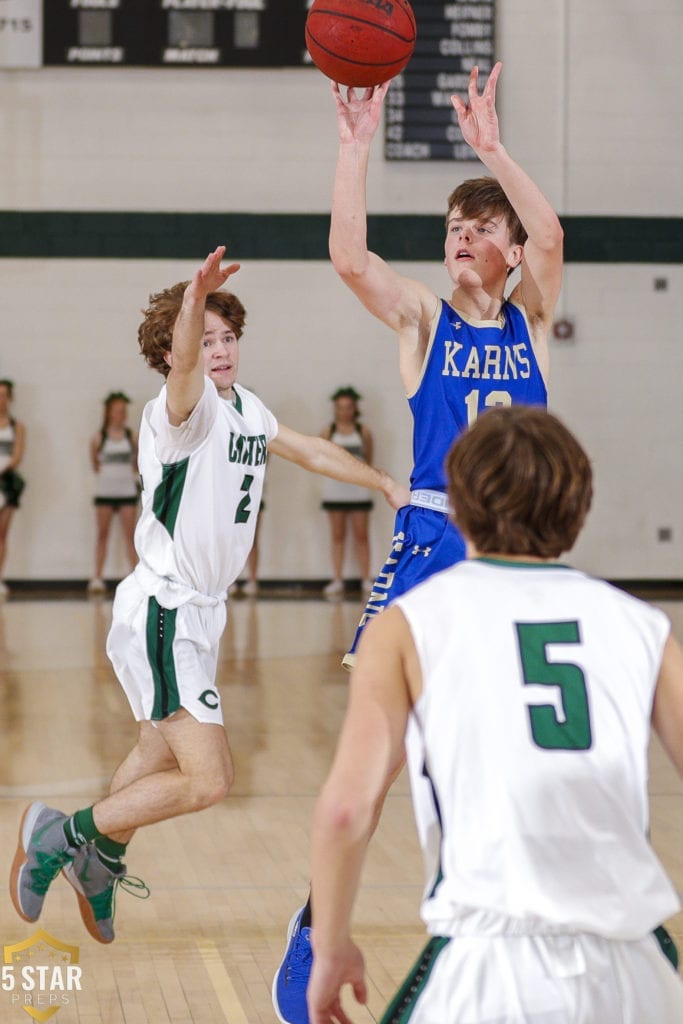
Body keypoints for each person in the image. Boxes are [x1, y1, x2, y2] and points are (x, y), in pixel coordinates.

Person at [273, 60, 564, 1023]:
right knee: (384, 751)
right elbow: (352, 262)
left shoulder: (530, 318)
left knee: (506, 739)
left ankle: (506, 908)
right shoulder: (423, 321)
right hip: (434, 540)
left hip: (517, 552)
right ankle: (318, 922)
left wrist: (492, 151)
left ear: (512, 252)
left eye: (481, 229)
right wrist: (353, 147)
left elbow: (553, 233)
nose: (462, 238)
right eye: (453, 227)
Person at [9, 246, 409, 945]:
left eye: (230, 337)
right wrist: (193, 303)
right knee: (209, 779)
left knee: (156, 755)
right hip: (167, 610)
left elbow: (311, 449)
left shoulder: (246, 409)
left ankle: (101, 861)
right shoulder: (179, 413)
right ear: (173, 353)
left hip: (196, 614)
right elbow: (187, 359)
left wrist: (382, 481)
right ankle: (59, 835)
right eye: (207, 337)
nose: (220, 349)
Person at [307, 405, 683, 1024]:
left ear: (458, 503)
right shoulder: (642, 623)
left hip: (490, 969)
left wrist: (331, 946)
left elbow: (346, 811)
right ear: (579, 505)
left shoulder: (407, 623)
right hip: (637, 972)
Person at [320, 386, 374, 597]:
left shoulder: (364, 432)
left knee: (362, 535)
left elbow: (369, 460)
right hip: (335, 491)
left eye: (348, 407)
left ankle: (366, 579)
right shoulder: (328, 431)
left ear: (354, 408)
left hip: (358, 490)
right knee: (337, 536)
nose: (344, 411)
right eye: (340, 407)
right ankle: (337, 579)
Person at [88, 391, 139, 593]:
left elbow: (136, 463)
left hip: (127, 492)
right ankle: (97, 577)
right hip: (105, 492)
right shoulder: (98, 438)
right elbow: (95, 464)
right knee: (102, 534)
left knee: (131, 535)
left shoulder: (131, 436)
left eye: (123, 411)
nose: (121, 414)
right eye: (118, 411)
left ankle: (136, 576)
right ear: (109, 413)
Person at [0, 379, 26, 597]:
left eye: (4, 395)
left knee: (2, 533)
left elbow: (17, 456)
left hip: (6, 481)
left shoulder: (17, 426)